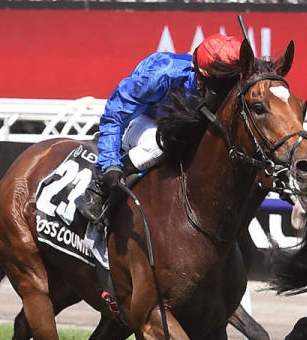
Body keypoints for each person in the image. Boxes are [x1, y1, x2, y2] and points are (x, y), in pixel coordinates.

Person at [78, 34, 245, 223]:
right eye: (218, 90)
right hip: (143, 122)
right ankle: (98, 190)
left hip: (179, 129)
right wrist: (109, 163)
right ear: (200, 77)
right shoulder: (162, 73)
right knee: (162, 143)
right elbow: (115, 114)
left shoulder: (226, 83)